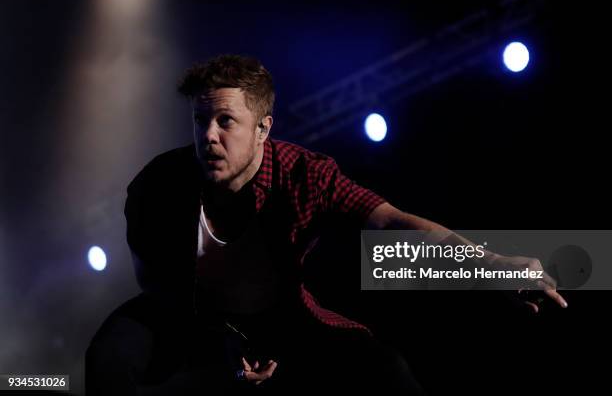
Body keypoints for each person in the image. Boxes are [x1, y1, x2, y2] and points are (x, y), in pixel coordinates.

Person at [86, 54, 567, 395]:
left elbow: (394, 223)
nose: (208, 136)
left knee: (385, 371)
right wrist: (219, 346)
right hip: (186, 314)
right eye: (200, 120)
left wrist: (492, 266)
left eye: (226, 121)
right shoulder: (157, 186)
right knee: (109, 361)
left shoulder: (305, 175)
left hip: (282, 316)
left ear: (263, 128)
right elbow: (157, 286)